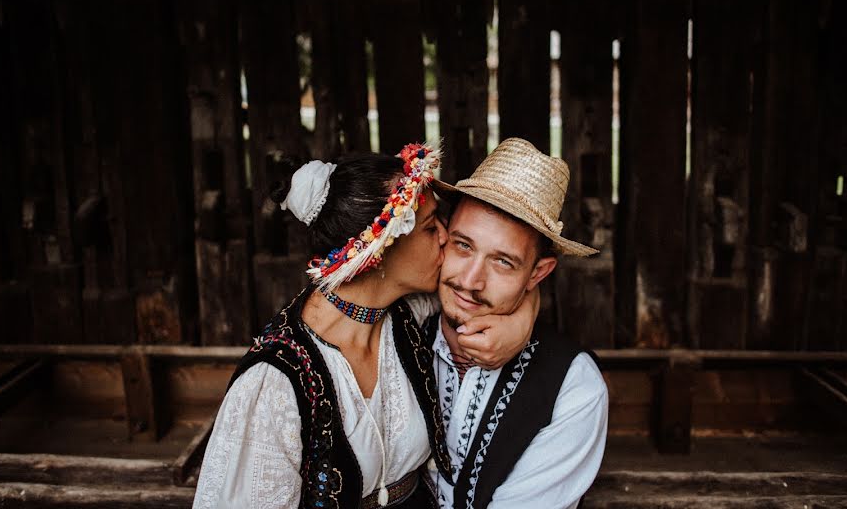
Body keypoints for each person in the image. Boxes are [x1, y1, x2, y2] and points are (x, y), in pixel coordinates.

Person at [192, 143, 535, 509]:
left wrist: (522, 323)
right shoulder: (276, 385)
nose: (445, 237)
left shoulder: (405, 316)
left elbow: (506, 286)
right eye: (430, 227)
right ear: (379, 251)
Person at [424, 138, 609, 509]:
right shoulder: (399, 331)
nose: (470, 281)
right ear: (442, 237)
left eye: (503, 262)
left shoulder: (575, 389)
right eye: (463, 246)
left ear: (537, 274)